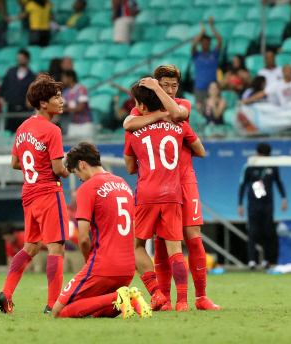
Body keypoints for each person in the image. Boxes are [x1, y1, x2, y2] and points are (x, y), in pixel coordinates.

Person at [123, 66, 219, 311]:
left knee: (193, 238)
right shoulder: (143, 108)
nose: (170, 89)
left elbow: (175, 114)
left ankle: (199, 297)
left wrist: (157, 92)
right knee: (162, 242)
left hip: (182, 181)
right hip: (167, 184)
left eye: (174, 85)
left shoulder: (180, 104)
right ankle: (165, 297)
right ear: (157, 83)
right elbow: (127, 123)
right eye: (164, 84)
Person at [0, 75, 70, 315]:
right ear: (44, 104)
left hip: (29, 194)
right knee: (56, 248)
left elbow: (16, 162)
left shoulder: (22, 127)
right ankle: (52, 304)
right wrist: (70, 171)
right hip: (49, 192)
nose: (61, 101)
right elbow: (58, 169)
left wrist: (36, 166)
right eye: (56, 97)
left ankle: (6, 293)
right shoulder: (52, 130)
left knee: (30, 246)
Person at [52, 142, 150, 319]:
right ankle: (127, 298)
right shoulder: (123, 185)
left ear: (82, 164)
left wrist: (88, 261)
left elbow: (83, 238)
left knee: (59, 312)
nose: (79, 178)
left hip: (103, 266)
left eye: (76, 172)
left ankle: (119, 297)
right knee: (94, 312)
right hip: (127, 268)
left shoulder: (87, 188)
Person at [238, 142, 287, 270]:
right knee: (252, 232)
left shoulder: (273, 166)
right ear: (257, 154)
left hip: (268, 205)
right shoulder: (248, 166)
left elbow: (279, 182)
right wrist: (240, 204)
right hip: (253, 205)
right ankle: (252, 261)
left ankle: (266, 260)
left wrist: (284, 198)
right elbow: (242, 185)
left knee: (268, 232)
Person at [0, 49, 37, 132]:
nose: (20, 60)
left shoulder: (32, 76)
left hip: (24, 109)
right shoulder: (11, 72)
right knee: (11, 130)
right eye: (19, 58)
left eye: (22, 58)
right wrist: (1, 96)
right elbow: (4, 86)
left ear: (28, 59)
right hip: (11, 108)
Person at [192, 17, 223, 113]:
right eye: (203, 42)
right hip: (200, 88)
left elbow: (220, 41)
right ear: (201, 43)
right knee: (200, 110)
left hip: (213, 89)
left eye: (207, 42)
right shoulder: (197, 55)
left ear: (210, 43)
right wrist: (202, 32)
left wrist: (211, 26)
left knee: (213, 111)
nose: (205, 44)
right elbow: (193, 45)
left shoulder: (214, 54)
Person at [61, 70, 94, 138]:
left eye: (64, 77)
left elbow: (80, 107)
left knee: (87, 148)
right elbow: (61, 107)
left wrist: (66, 109)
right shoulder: (65, 92)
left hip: (85, 125)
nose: (62, 80)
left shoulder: (81, 89)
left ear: (70, 78)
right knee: (72, 148)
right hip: (73, 124)